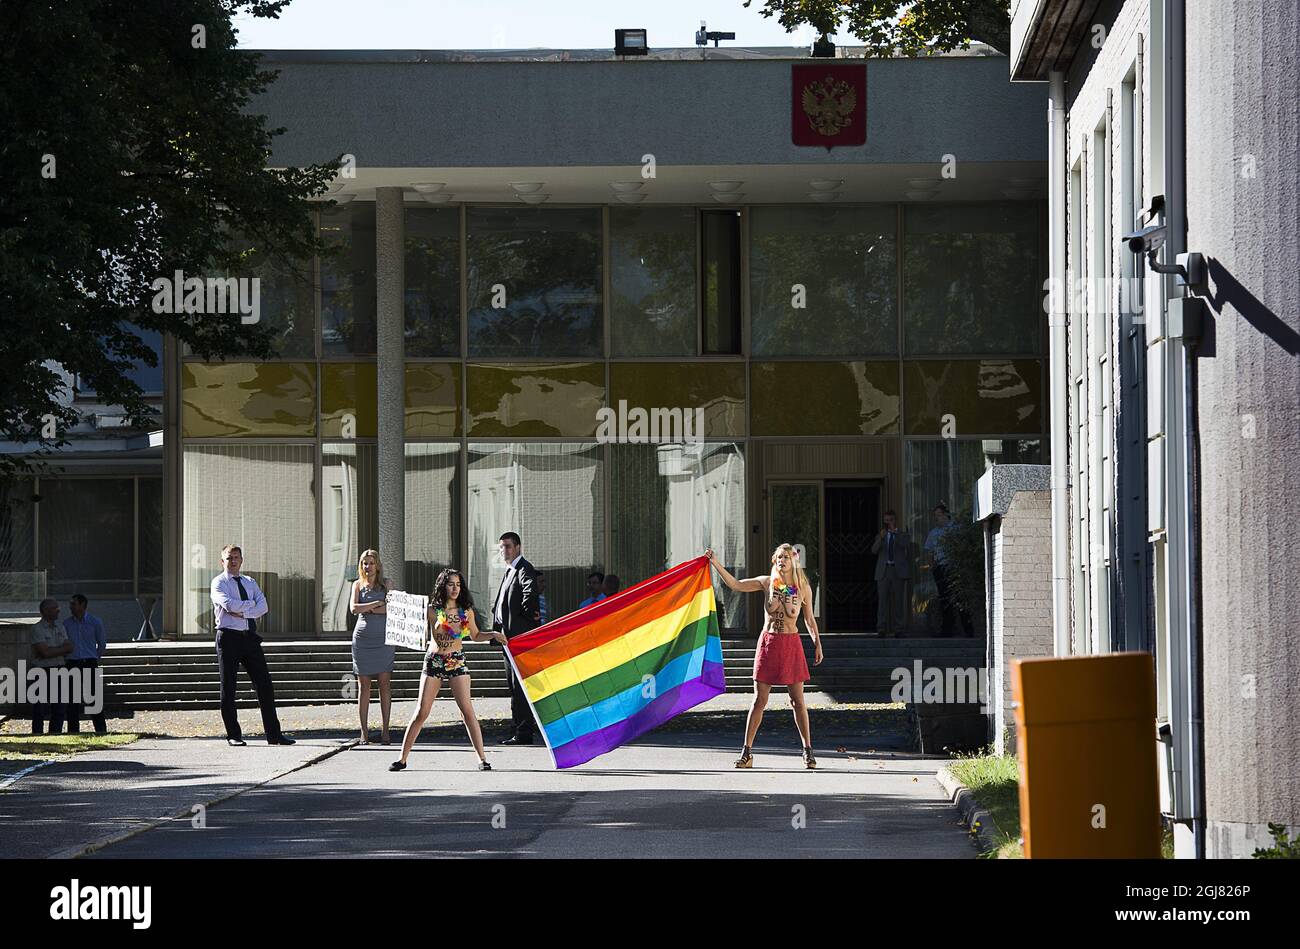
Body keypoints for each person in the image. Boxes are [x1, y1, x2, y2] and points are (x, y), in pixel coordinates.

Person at [706, 544, 823, 769]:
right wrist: (715, 563)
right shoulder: (767, 582)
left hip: (791, 644)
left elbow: (808, 619)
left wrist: (817, 643)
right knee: (759, 700)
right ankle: (746, 753)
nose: (782, 560)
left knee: (797, 701)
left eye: (786, 557)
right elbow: (736, 585)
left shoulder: (802, 587)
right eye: (779, 557)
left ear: (793, 561)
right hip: (769, 642)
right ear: (774, 560)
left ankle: (808, 751)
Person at [390, 568, 508, 772]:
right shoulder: (432, 609)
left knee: (467, 710)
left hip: (456, 660)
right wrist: (394, 599)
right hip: (434, 660)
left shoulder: (466, 611)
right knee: (421, 711)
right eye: (451, 584)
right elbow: (410, 623)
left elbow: (475, 635)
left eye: (458, 584)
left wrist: (493, 635)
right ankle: (402, 758)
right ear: (443, 586)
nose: (455, 588)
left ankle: (482, 758)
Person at [210, 544, 295, 746]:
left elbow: (263, 606)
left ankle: (274, 735)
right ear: (222, 561)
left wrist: (244, 611)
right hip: (228, 637)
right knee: (228, 687)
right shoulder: (218, 583)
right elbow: (229, 606)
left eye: (236, 558)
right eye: (229, 558)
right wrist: (250, 606)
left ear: (242, 560)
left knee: (264, 685)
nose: (233, 561)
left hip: (249, 637)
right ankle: (233, 735)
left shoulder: (250, 582)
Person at [490, 531, 541, 745]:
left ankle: (524, 732)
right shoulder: (510, 570)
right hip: (506, 637)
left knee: (520, 687)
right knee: (513, 685)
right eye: (501, 547)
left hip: (517, 637)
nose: (504, 550)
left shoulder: (524, 568)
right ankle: (518, 729)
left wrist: (526, 619)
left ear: (518, 547)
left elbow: (530, 594)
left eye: (508, 546)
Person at [350, 549, 395, 744]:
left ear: (377, 565)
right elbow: (353, 608)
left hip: (384, 640)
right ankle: (364, 732)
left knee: (384, 684)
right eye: (364, 563)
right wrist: (376, 604)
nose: (367, 567)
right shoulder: (357, 585)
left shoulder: (387, 584)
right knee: (364, 686)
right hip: (362, 639)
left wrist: (368, 607)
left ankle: (386, 731)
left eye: (370, 563)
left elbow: (393, 608)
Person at [923, 503, 975, 637]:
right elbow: (929, 551)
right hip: (940, 568)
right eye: (935, 516)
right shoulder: (933, 533)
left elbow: (964, 546)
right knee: (944, 600)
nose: (936, 518)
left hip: (955, 568)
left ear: (946, 514)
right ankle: (947, 630)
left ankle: (968, 630)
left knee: (960, 598)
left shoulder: (956, 529)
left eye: (939, 515)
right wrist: (933, 567)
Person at [63, 594, 108, 734]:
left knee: (94, 697)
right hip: (72, 663)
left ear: (82, 605)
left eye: (74, 604)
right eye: (71, 604)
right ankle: (73, 731)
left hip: (89, 662)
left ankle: (100, 729)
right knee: (72, 700)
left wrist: (94, 658)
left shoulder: (95, 622)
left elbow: (101, 644)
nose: (71, 607)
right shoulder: (66, 624)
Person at [30, 598, 71, 735]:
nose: (58, 611)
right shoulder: (37, 628)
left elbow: (69, 647)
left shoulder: (61, 627)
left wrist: (53, 650)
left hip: (60, 668)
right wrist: (61, 649)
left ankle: (55, 734)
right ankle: (37, 735)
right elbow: (44, 652)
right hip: (42, 670)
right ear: (46, 611)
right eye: (55, 608)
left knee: (60, 706)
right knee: (40, 707)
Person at [871, 510, 913, 638]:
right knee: (882, 602)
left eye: (891, 520)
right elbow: (874, 550)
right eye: (886, 521)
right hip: (883, 571)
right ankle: (881, 628)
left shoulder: (902, 534)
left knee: (898, 601)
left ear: (895, 520)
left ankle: (899, 629)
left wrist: (896, 534)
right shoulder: (881, 535)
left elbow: (906, 545)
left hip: (897, 571)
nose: (888, 523)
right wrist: (881, 538)